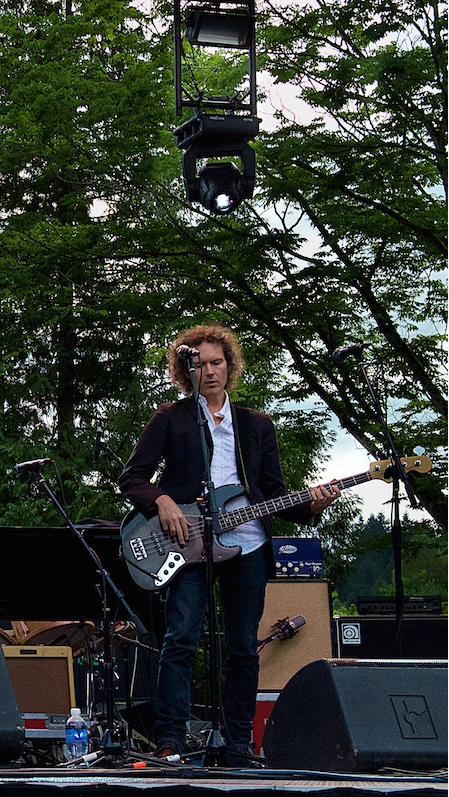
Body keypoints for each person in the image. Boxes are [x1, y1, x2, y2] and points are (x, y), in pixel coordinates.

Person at [119, 324, 338, 761]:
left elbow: (273, 493)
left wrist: (312, 506)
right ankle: (170, 738)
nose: (210, 371)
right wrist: (162, 500)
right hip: (187, 545)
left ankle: (239, 741)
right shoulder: (170, 418)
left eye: (217, 362)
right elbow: (132, 478)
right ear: (186, 371)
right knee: (180, 639)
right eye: (201, 364)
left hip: (247, 545)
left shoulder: (256, 424)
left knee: (242, 647)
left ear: (230, 365)